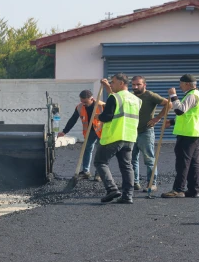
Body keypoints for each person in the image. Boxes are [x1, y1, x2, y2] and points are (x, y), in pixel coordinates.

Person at [94, 73, 142, 204]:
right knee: (127, 166)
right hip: (130, 137)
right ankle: (127, 196)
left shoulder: (114, 97)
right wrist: (106, 87)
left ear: (122, 83)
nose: (111, 84)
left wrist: (98, 117)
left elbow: (107, 116)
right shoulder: (136, 99)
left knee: (100, 162)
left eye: (113, 82)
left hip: (114, 136)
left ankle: (111, 189)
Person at [162, 74, 199, 199]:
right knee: (193, 163)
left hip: (187, 134)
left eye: (181, 83)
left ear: (187, 84)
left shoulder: (192, 95)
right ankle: (193, 190)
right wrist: (171, 122)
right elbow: (188, 115)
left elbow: (180, 110)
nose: (179, 86)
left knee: (183, 162)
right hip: (195, 133)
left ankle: (178, 189)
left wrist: (172, 95)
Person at [130, 76, 170, 191]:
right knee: (132, 159)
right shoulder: (130, 95)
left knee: (149, 159)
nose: (135, 87)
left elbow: (168, 104)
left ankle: (152, 184)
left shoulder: (150, 95)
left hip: (146, 131)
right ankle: (134, 182)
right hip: (132, 131)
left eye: (138, 84)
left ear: (144, 85)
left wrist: (157, 118)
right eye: (133, 85)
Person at [58, 89, 104, 180]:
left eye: (85, 102)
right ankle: (85, 171)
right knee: (87, 150)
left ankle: (99, 173)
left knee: (101, 152)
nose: (84, 104)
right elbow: (73, 119)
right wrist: (64, 131)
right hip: (89, 132)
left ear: (91, 99)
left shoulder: (101, 105)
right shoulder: (79, 107)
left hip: (101, 132)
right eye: (82, 102)